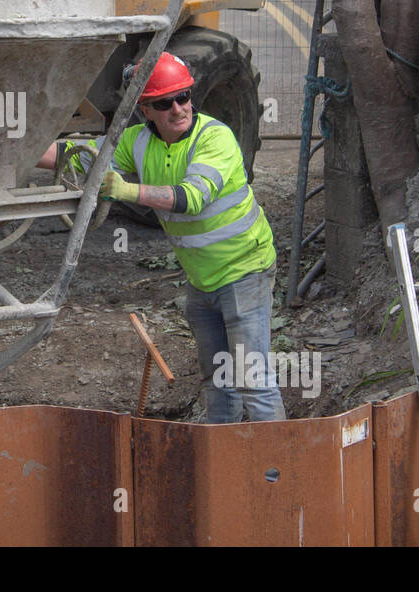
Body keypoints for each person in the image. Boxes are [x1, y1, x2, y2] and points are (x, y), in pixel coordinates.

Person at [39, 53, 283, 423]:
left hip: (245, 272)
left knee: (254, 382)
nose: (178, 108)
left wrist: (125, 190)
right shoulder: (136, 142)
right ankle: (219, 462)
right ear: (145, 110)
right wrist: (17, 150)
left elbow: (190, 198)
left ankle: (274, 475)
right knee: (218, 380)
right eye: (164, 103)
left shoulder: (215, 138)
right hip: (202, 281)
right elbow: (78, 157)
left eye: (183, 96)